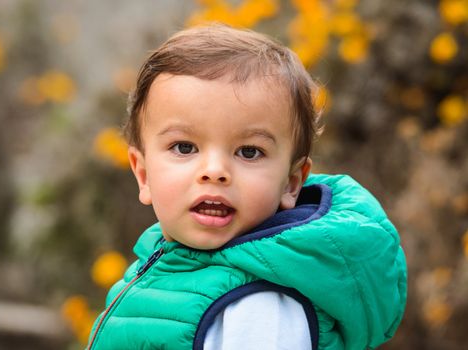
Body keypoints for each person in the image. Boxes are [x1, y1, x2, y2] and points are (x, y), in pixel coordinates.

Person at [86, 24, 407, 350]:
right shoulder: (162, 264)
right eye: (184, 147)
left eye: (249, 152)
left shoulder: (259, 307)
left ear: (291, 183)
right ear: (143, 175)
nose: (214, 172)